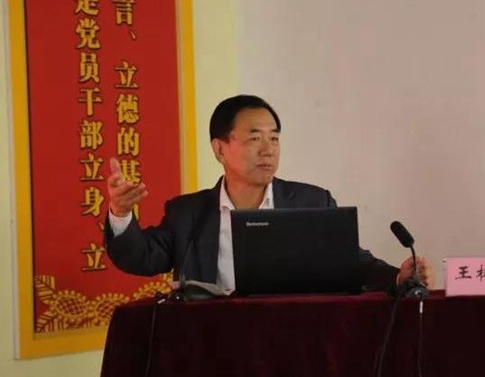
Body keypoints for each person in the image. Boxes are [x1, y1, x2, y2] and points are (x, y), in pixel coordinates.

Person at [104, 94, 433, 294]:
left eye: (274, 138)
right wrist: (120, 212)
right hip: (213, 346)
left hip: (296, 344)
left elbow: (351, 262)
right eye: (254, 138)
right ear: (219, 149)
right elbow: (142, 258)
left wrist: (397, 277)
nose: (268, 150)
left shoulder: (310, 203)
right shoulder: (188, 213)